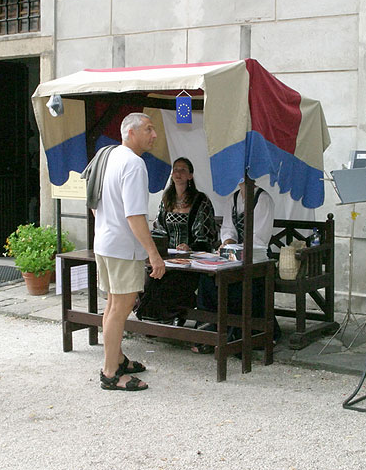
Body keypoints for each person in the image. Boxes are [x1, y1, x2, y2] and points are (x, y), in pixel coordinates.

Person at [92, 113, 165, 391]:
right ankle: (111, 373)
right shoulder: (134, 164)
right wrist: (153, 254)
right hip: (122, 248)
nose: (154, 135)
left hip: (105, 242)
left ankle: (118, 359)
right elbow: (135, 215)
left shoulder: (107, 156)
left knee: (112, 307)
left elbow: (92, 199)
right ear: (130, 133)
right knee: (119, 310)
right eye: (148, 129)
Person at [193, 179, 279, 353]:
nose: (243, 182)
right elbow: (228, 228)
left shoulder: (263, 199)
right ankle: (209, 331)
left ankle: (238, 333)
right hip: (233, 257)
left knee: (240, 284)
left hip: (257, 259)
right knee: (207, 280)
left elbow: (260, 237)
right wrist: (228, 243)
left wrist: (237, 250)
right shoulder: (233, 199)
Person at [135, 157, 218, 322]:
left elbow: (207, 236)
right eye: (175, 169)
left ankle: (167, 316)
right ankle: (152, 319)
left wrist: (190, 246)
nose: (178, 173)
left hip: (190, 263)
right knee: (149, 280)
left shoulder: (201, 201)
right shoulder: (167, 199)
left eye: (182, 170)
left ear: (190, 176)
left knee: (169, 285)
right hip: (167, 258)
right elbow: (159, 229)